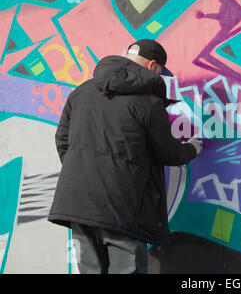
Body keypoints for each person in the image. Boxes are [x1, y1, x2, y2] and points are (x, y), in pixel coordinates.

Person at [48, 39, 203, 274]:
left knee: (90, 270)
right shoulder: (148, 103)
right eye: (160, 70)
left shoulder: (82, 91)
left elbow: (62, 139)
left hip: (78, 200)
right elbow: (168, 152)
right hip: (122, 204)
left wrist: (84, 171)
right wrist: (192, 148)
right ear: (152, 65)